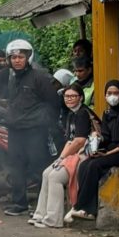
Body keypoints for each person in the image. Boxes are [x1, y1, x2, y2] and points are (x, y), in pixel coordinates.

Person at [64, 80, 119, 223]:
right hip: (109, 150)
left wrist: (107, 154)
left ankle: (82, 207)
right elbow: (106, 137)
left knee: (94, 165)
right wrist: (97, 138)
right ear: (104, 95)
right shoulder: (107, 113)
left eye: (116, 93)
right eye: (109, 93)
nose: (112, 96)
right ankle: (87, 209)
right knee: (85, 164)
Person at [3, 39, 59, 216]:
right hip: (15, 129)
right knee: (16, 166)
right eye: (13, 57)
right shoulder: (12, 78)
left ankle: (43, 205)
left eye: (20, 57)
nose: (17, 60)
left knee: (38, 166)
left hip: (35, 129)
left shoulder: (40, 76)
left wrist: (45, 122)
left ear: (28, 57)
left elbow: (53, 101)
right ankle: (19, 203)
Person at [30, 82, 92, 228]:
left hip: (86, 154)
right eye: (66, 96)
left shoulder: (83, 113)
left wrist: (63, 158)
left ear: (81, 98)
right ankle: (40, 215)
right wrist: (60, 158)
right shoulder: (71, 114)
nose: (69, 99)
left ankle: (53, 219)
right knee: (46, 173)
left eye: (73, 96)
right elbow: (69, 141)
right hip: (72, 153)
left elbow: (80, 141)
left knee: (55, 177)